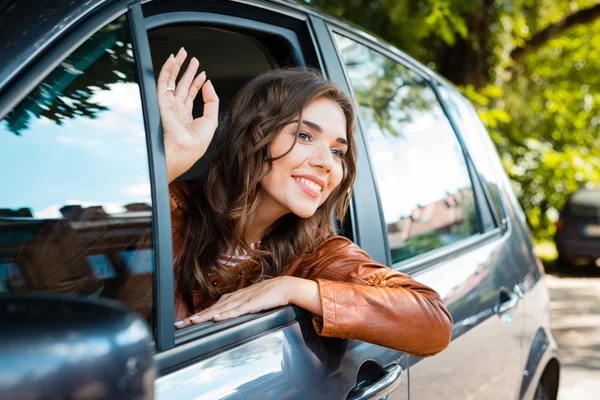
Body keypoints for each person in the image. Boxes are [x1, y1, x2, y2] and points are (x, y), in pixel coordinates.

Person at [158, 47, 453, 356]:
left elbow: (433, 322)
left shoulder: (318, 253)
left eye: (338, 151)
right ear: (255, 136)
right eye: (305, 136)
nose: (327, 163)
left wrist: (294, 289)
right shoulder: (173, 207)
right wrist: (172, 160)